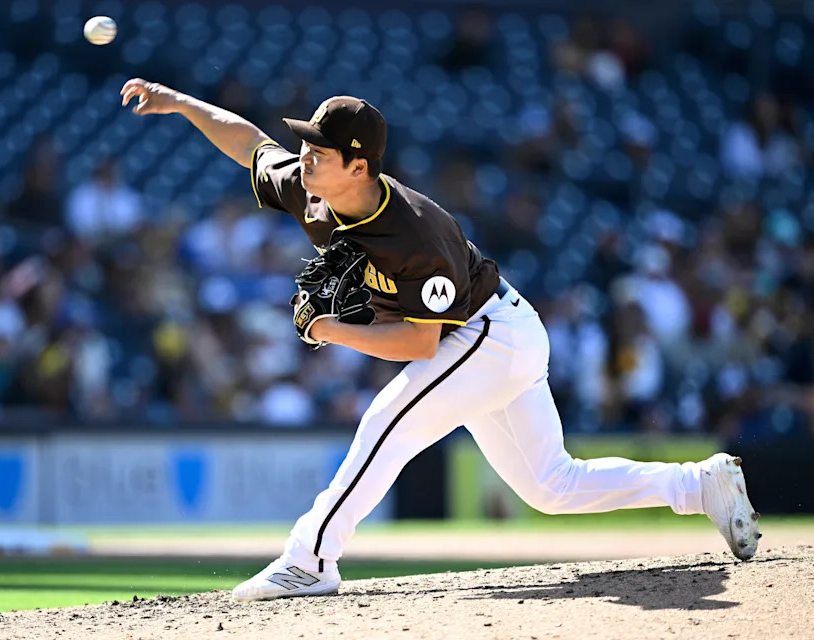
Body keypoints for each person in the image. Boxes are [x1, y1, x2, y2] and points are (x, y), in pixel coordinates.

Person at [119, 78, 762, 602]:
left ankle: (310, 559)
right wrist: (177, 103)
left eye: (319, 149)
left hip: (488, 335)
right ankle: (698, 486)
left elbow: (421, 347)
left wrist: (329, 329)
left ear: (359, 165)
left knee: (383, 424)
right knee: (551, 486)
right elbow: (250, 145)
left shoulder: (416, 233)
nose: (305, 156)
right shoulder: (313, 190)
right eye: (308, 145)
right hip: (493, 334)